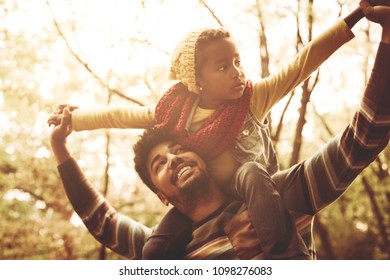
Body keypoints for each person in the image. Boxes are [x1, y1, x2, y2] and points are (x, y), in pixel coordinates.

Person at [49, 1, 388, 259]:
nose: (173, 158)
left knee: (255, 173)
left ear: (198, 155)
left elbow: (359, 134)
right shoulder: (167, 245)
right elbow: (102, 220)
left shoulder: (284, 196)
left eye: (178, 149)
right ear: (161, 196)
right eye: (159, 164)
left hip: (258, 189)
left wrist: (360, 21)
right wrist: (69, 133)